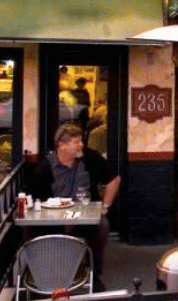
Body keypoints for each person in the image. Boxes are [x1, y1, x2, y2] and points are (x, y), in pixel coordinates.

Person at [29, 124, 120, 289]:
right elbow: (37, 202)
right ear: (61, 145)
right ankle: (42, 277)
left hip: (84, 219)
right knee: (31, 230)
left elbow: (114, 179)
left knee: (102, 225)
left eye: (81, 141)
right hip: (55, 221)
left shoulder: (89, 158)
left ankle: (94, 274)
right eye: (76, 142)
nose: (81, 146)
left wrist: (105, 206)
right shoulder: (44, 168)